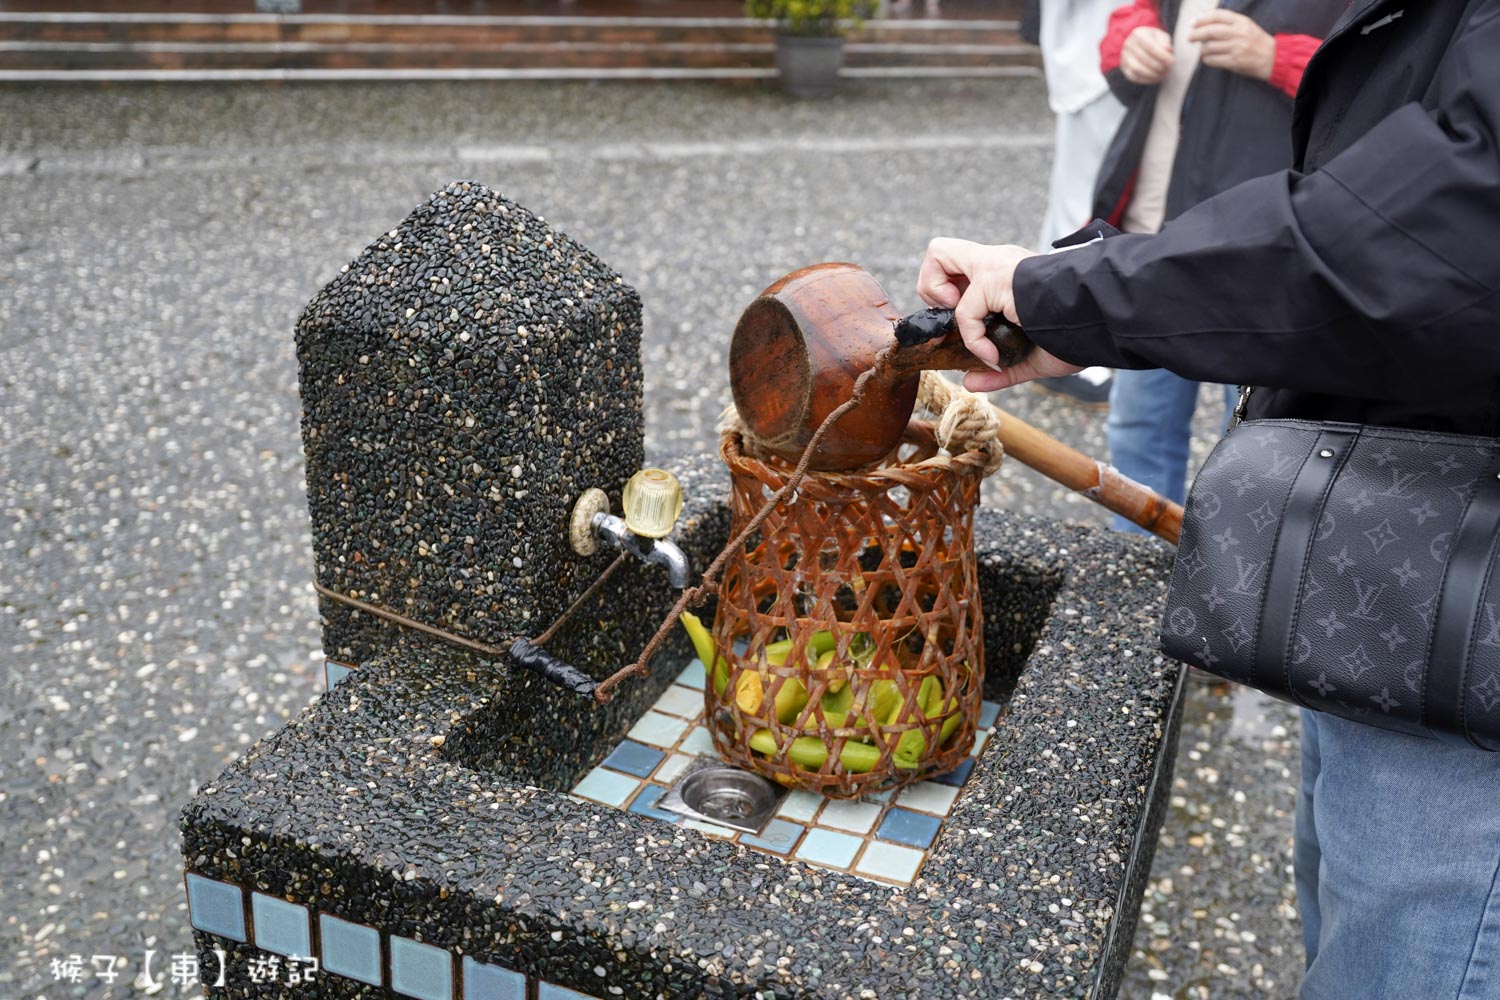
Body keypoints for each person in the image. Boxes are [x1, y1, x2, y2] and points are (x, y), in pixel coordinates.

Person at [916, 0, 1500, 995]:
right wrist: (1092, 291)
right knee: (1344, 883)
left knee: (1412, 945)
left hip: (1464, 591)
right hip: (1380, 548)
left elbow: (1430, 241)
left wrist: (1074, 293)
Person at [1091, 0, 1339, 533]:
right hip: (1151, 233)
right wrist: (1130, 43)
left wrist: (1279, 57)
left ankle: (1238, 594)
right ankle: (1135, 571)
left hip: (1264, 249)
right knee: (1140, 425)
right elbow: (1131, 15)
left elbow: (1390, 80)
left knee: (1266, 439)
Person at [1026, 0, 1127, 408]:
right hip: (1095, 56)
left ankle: (1049, 328)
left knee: (1080, 199)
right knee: (1082, 205)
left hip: (1112, 47)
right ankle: (1070, 343)